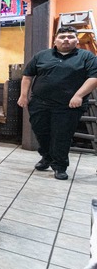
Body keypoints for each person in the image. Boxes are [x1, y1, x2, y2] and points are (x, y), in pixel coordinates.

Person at [18, 26, 97, 180]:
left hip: (68, 106)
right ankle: (47, 157)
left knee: (61, 136)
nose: (66, 39)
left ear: (76, 40)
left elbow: (94, 78)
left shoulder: (86, 57)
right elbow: (27, 76)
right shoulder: (42, 56)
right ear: (55, 40)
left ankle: (60, 166)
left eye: (70, 37)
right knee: (41, 133)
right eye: (62, 37)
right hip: (40, 104)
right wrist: (23, 96)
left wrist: (79, 95)